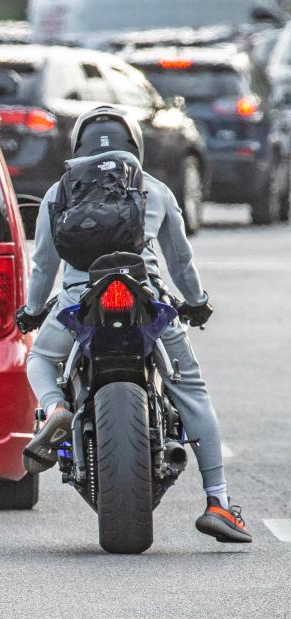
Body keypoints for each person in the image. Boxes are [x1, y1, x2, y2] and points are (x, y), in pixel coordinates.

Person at [16, 104, 251, 544]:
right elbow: (180, 261)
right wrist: (196, 303)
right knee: (191, 387)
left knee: (41, 360)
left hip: (78, 303)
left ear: (78, 145)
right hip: (147, 302)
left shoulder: (57, 192)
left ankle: (56, 408)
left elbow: (43, 265)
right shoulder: (154, 188)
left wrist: (32, 310)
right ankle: (218, 501)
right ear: (134, 144)